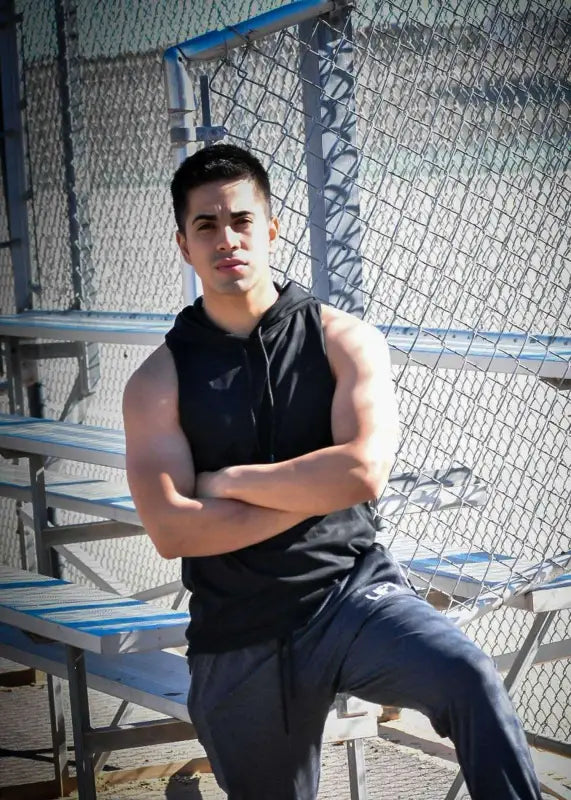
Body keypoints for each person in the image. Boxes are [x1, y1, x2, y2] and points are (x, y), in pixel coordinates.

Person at [123, 143, 542, 800]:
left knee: (465, 672)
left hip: (350, 596)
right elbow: (174, 531)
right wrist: (311, 487)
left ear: (271, 229)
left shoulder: (342, 338)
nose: (226, 238)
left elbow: (361, 474)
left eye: (240, 220)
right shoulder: (158, 381)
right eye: (205, 225)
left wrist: (228, 482)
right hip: (239, 631)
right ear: (183, 244)